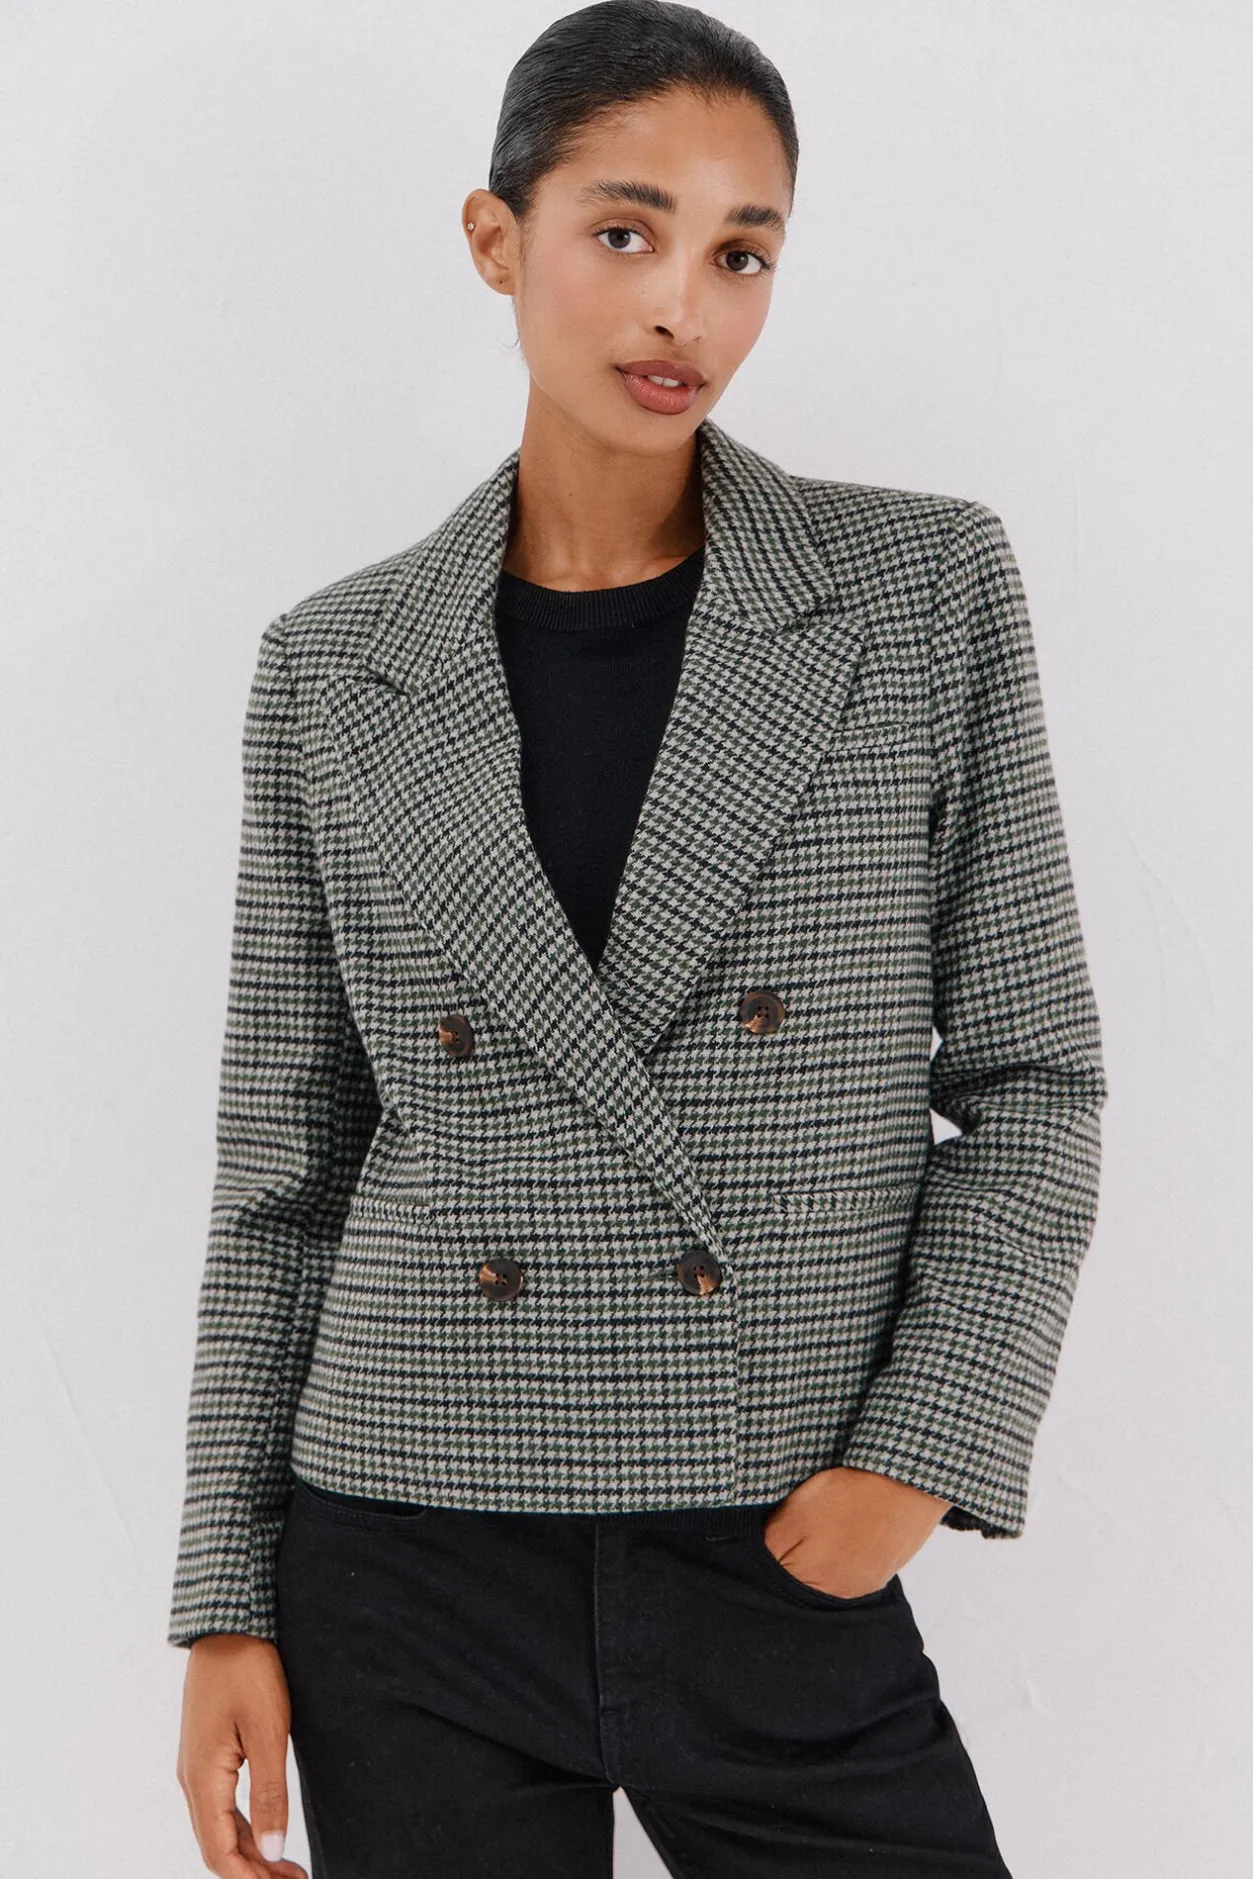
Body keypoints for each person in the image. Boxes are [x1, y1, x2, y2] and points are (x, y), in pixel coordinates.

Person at [170, 4, 1107, 1875]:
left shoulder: (919, 594)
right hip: (407, 1550)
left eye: (741, 252)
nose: (685, 303)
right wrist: (225, 1600)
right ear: (495, 236)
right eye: (625, 230)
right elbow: (287, 1171)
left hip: (778, 1534)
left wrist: (922, 1446)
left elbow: (1034, 1080)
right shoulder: (335, 666)